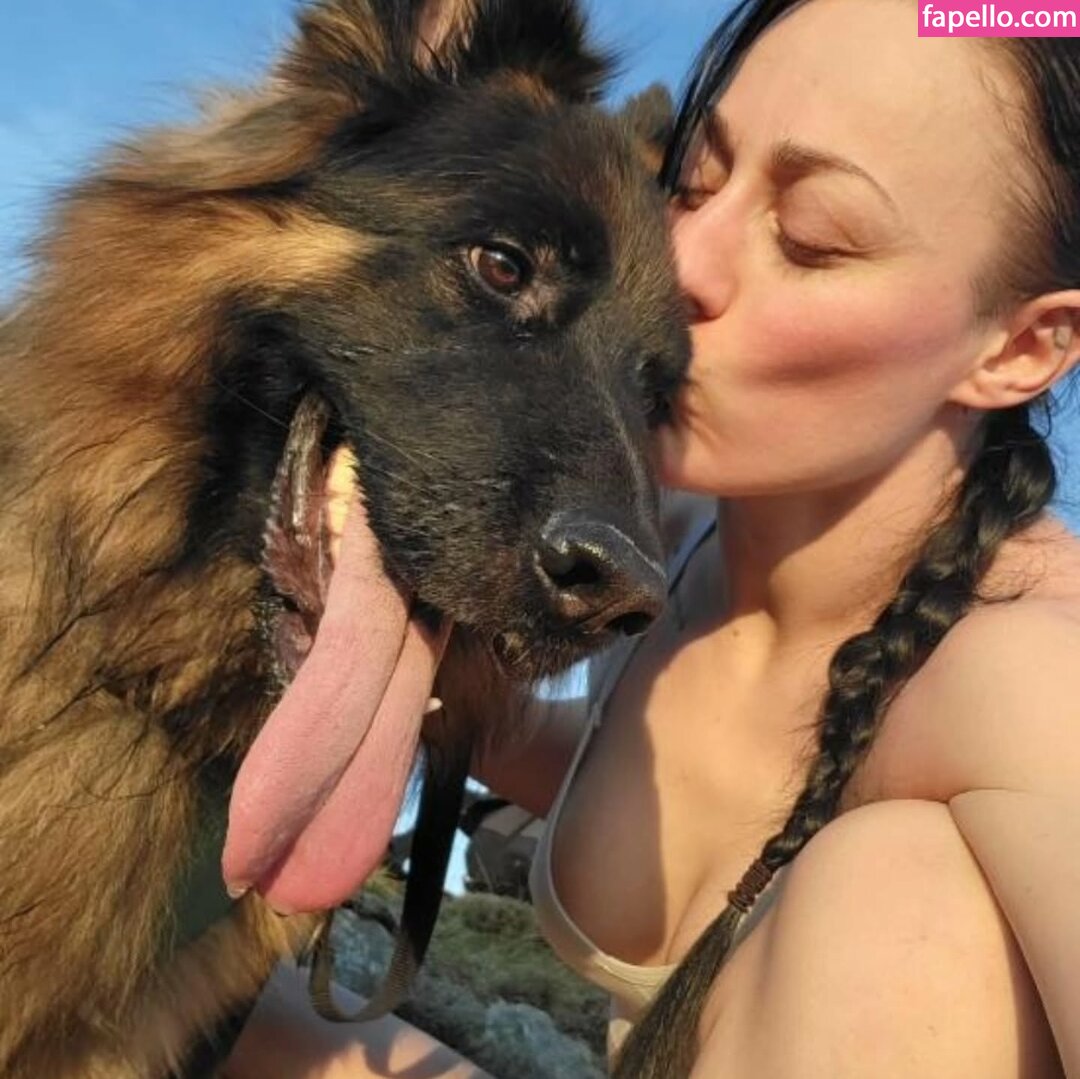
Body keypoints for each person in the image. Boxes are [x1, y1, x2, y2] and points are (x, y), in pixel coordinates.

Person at [231, 0, 1080, 1074]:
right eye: (691, 181)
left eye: (811, 241)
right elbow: (615, 769)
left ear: (1020, 349)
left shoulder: (1037, 680)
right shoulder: (665, 548)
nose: (679, 263)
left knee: (895, 896)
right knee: (215, 1020)